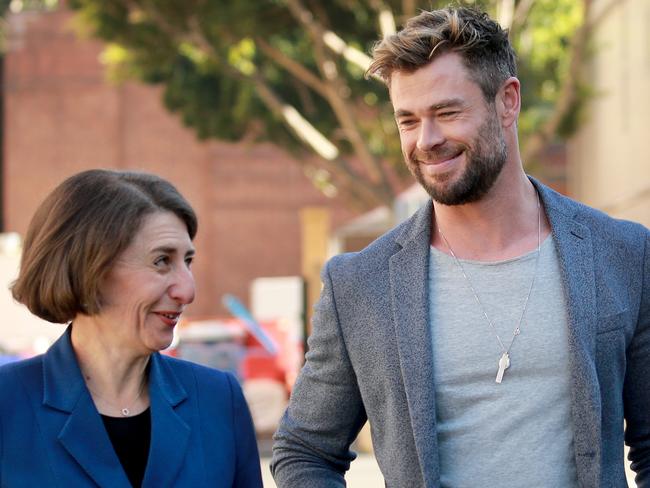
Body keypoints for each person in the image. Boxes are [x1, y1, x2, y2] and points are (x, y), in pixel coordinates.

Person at [271, 6, 649, 488]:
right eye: (407, 120)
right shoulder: (359, 286)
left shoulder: (622, 254)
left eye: (446, 112)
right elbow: (304, 452)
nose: (426, 141)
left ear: (507, 101)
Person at [0, 169, 263, 487]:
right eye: (162, 261)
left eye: (187, 261)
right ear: (90, 269)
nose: (187, 291)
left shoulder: (218, 399)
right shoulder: (8, 402)